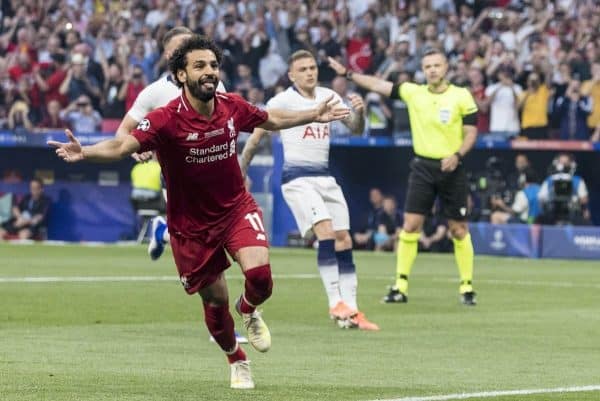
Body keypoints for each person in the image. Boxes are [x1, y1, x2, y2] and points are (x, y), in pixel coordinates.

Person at [48, 35, 349, 389]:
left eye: (213, 66)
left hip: (235, 208)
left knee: (261, 279)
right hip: (190, 226)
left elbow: (271, 118)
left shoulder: (231, 105)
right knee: (215, 304)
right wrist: (85, 152)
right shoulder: (164, 120)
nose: (209, 72)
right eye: (200, 66)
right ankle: (236, 358)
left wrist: (314, 113)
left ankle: (249, 309)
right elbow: (121, 143)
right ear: (180, 75)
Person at [328, 46, 479, 306]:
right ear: (423, 70)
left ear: (446, 68)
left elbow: (472, 132)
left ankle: (466, 287)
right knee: (410, 226)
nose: (432, 70)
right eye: (428, 66)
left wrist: (457, 156)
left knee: (458, 229)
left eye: (437, 65)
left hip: (452, 167)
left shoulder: (461, 96)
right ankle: (400, 286)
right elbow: (378, 84)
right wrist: (349, 74)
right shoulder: (413, 92)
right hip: (423, 166)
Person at [240, 50, 379, 331]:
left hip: (324, 177)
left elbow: (354, 128)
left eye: (313, 67)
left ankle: (351, 311)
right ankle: (334, 303)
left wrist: (360, 113)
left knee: (344, 239)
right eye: (302, 69)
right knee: (326, 232)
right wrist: (239, 172)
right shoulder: (281, 101)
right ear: (291, 75)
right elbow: (256, 137)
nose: (309, 73)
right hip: (297, 177)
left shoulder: (328, 95)